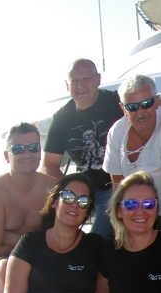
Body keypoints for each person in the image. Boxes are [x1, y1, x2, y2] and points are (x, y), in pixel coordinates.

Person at [42, 59, 123, 241]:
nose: (80, 85)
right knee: (44, 227)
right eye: (74, 81)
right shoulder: (61, 118)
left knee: (97, 238)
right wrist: (69, 191)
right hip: (83, 191)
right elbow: (48, 165)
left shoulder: (117, 102)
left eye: (86, 79)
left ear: (98, 79)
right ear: (67, 85)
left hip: (115, 188)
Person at [0, 122, 56, 293]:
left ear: (40, 152)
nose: (27, 154)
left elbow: (61, 239)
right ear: (7, 155)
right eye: (18, 149)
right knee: (7, 268)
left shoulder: (53, 189)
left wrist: (10, 238)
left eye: (33, 147)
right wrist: (36, 243)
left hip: (39, 262)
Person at [103, 74, 161, 233]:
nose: (141, 112)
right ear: (123, 108)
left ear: (156, 102)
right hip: (136, 212)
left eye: (147, 103)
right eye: (132, 107)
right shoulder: (116, 132)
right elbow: (118, 190)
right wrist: (123, 234)